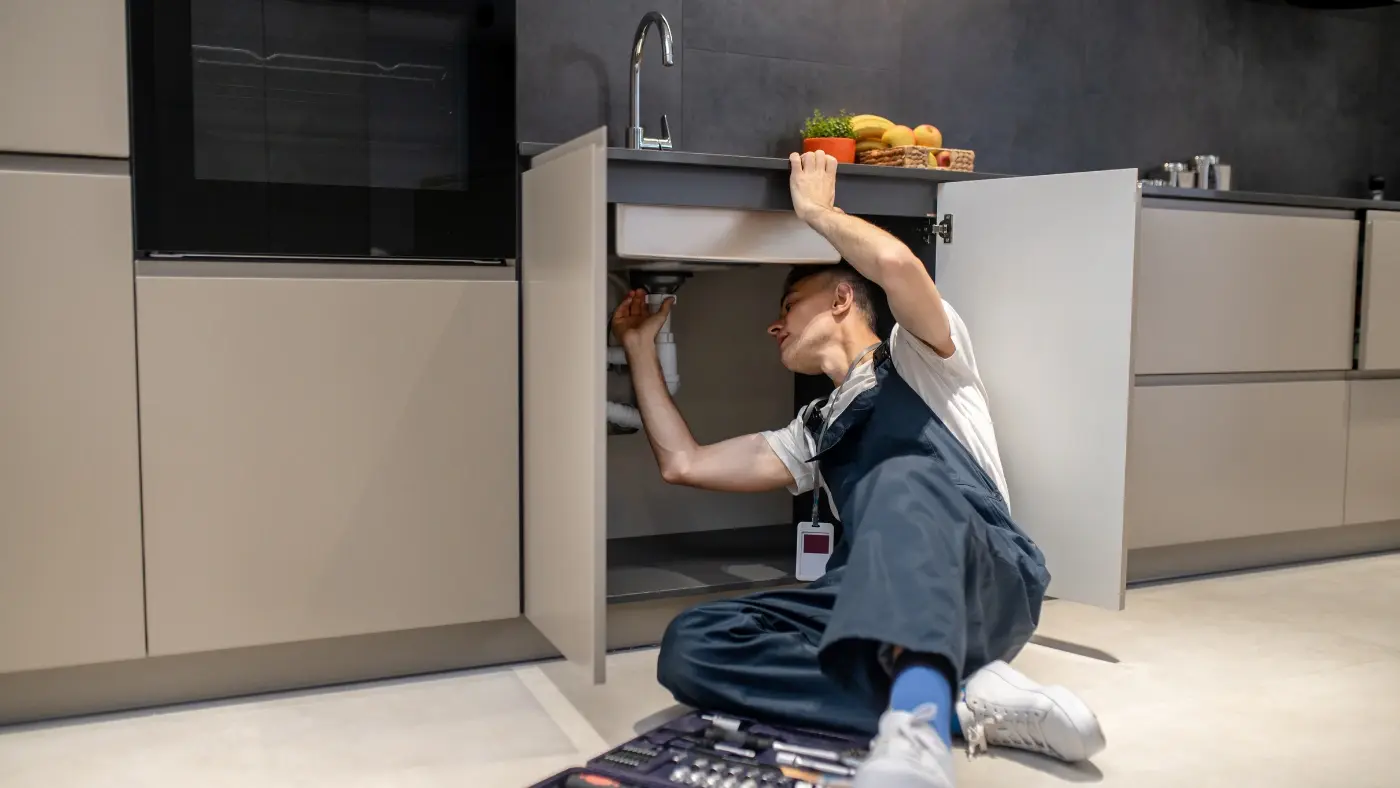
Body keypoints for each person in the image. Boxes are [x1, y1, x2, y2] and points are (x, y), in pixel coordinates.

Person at [609, 150, 1104, 788]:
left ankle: (917, 735)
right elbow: (684, 463)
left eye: (790, 304)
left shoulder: (922, 358)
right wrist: (639, 348)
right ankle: (962, 699)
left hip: (983, 575)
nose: (774, 325)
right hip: (870, 597)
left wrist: (819, 211)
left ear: (843, 297)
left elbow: (897, 266)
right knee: (694, 643)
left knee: (901, 478)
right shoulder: (814, 430)